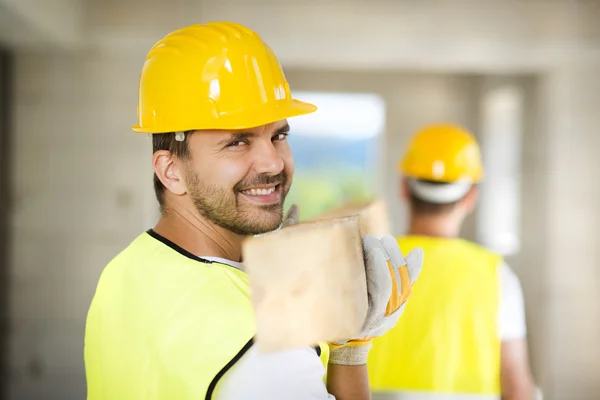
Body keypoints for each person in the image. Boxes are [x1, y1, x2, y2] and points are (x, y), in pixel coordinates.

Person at [84, 22, 424, 400]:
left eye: (278, 135)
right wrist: (350, 349)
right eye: (237, 141)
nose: (273, 162)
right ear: (171, 171)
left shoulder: (124, 272)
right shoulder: (266, 344)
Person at [367, 124, 535, 400]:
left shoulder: (367, 262)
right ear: (470, 197)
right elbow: (517, 389)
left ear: (404, 188)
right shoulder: (496, 275)